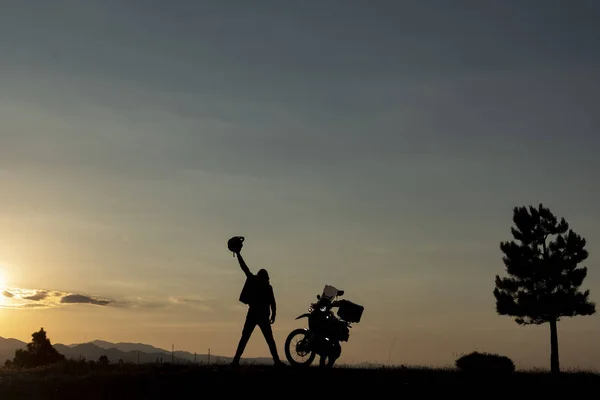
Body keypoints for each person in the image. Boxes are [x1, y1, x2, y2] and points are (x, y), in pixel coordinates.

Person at [231, 249, 285, 367]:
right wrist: (273, 315)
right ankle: (276, 361)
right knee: (269, 339)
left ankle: (236, 360)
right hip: (262, 315)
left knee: (245, 337)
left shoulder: (255, 281)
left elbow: (244, 268)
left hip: (254, 314)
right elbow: (273, 303)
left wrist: (239, 254)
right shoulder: (268, 287)